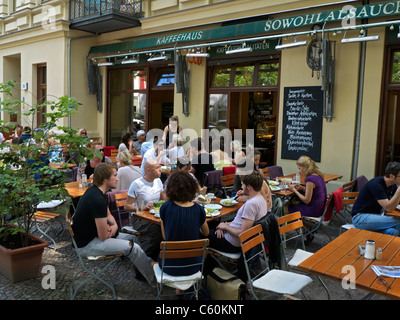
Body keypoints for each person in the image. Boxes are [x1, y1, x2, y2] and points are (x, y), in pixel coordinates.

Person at [71, 162, 155, 285]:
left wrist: (114, 226)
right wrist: (113, 229)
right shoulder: (97, 199)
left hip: (93, 237)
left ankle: (143, 271)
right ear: (105, 179)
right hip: (86, 245)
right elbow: (103, 236)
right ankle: (154, 279)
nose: (117, 178)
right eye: (115, 175)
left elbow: (109, 215)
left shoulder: (97, 192)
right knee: (134, 247)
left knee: (133, 238)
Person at [207, 171, 267, 281]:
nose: (241, 186)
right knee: (214, 226)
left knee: (202, 233)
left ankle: (208, 272)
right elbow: (241, 223)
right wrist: (224, 224)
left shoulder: (251, 204)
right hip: (241, 240)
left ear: (249, 187)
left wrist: (225, 228)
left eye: (243, 184)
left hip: (232, 243)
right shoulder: (261, 200)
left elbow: (242, 234)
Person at [160, 171, 209, 279]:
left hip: (170, 266)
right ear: (192, 188)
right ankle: (183, 289)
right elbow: (206, 232)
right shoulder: (199, 209)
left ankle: (179, 289)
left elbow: (165, 237)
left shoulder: (165, 208)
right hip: (194, 265)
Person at [125, 159, 166, 259]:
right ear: (149, 170)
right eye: (157, 168)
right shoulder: (137, 184)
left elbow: (163, 199)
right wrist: (142, 207)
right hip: (140, 218)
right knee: (157, 233)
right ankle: (144, 260)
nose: (160, 170)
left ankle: (162, 258)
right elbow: (126, 206)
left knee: (168, 228)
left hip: (155, 217)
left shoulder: (158, 181)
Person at [351, 161, 400, 236]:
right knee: (398, 222)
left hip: (376, 217)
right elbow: (388, 208)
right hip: (360, 218)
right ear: (392, 176)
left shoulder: (392, 185)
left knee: (394, 232)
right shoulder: (376, 184)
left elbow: (394, 202)